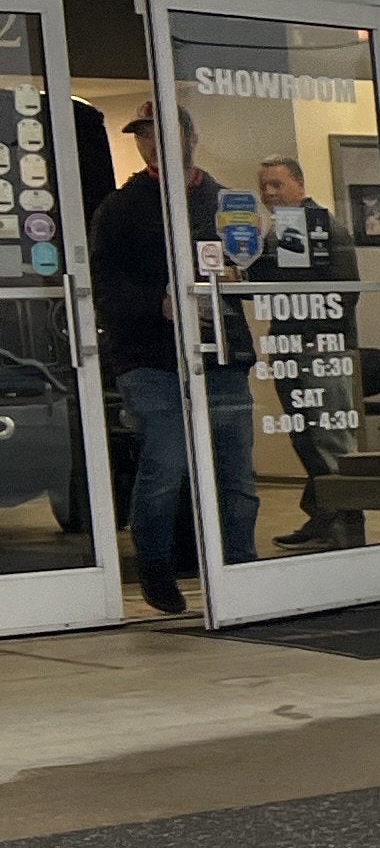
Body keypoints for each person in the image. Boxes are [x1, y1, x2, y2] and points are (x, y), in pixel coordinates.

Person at [88, 111, 254, 614]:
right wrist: (155, 303)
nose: (152, 145)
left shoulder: (224, 200)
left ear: (192, 137)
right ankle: (156, 569)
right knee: (165, 468)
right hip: (150, 358)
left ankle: (243, 571)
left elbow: (251, 262)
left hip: (222, 353)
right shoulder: (120, 207)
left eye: (164, 135)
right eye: (143, 137)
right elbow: (102, 285)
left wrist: (242, 275)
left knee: (236, 475)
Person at [257, 156, 367, 551]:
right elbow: (273, 286)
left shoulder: (313, 226)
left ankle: (346, 526)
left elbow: (341, 292)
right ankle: (325, 517)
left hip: (318, 345)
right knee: (307, 437)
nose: (269, 193)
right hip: (293, 344)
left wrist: (316, 337)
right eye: (264, 186)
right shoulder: (282, 231)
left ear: (299, 184)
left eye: (277, 184)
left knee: (329, 438)